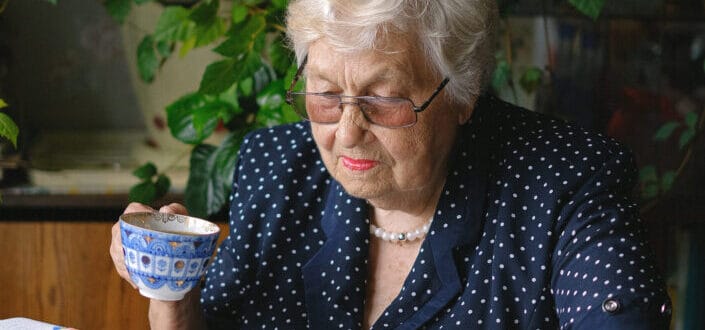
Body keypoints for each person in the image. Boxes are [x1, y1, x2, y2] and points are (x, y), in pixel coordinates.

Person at [110, 0, 672, 328]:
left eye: (385, 100)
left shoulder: (566, 181)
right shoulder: (277, 168)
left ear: (462, 92)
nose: (347, 131)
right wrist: (173, 297)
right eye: (325, 94)